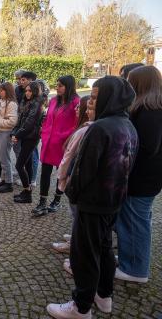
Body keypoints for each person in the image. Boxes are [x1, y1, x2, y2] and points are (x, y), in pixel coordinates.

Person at [47, 76, 138, 319]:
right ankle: (104, 295)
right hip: (113, 201)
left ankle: (81, 307)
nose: (92, 101)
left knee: (85, 254)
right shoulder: (127, 125)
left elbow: (83, 169)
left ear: (109, 97)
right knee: (105, 248)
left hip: (93, 202)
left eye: (96, 97)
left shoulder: (100, 128)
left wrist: (71, 192)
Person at [115, 65, 162, 284]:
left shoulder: (149, 111)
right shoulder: (153, 108)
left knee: (135, 222)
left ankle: (135, 269)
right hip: (147, 178)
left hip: (141, 178)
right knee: (135, 220)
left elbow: (145, 147)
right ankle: (129, 260)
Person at [33, 75, 80, 217]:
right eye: (57, 85)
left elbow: (77, 123)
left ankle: (57, 199)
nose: (57, 88)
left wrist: (67, 138)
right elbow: (47, 119)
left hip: (63, 144)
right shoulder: (53, 100)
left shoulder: (76, 102)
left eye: (60, 85)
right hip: (49, 142)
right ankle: (42, 201)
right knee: (45, 172)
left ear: (68, 86)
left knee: (62, 173)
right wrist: (45, 132)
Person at [51, 96, 92, 255]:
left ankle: (76, 244)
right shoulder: (81, 127)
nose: (76, 109)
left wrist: (62, 176)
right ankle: (75, 236)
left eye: (79, 107)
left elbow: (69, 157)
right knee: (75, 214)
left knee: (77, 214)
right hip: (71, 177)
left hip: (72, 178)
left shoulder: (84, 130)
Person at [12, 81, 43, 204]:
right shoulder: (26, 101)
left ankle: (27, 191)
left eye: (30, 90)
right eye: (27, 90)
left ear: (35, 91)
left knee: (19, 165)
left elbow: (29, 123)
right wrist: (15, 133)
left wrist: (17, 135)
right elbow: (20, 120)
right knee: (28, 164)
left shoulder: (37, 103)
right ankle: (27, 192)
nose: (27, 92)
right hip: (25, 136)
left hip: (31, 137)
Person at [0, 82, 18, 193]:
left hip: (6, 133)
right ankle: (4, 180)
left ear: (7, 91)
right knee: (1, 158)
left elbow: (12, 121)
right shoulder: (3, 102)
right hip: (0, 131)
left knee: (5, 158)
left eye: (1, 90)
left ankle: (9, 183)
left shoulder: (11, 104)